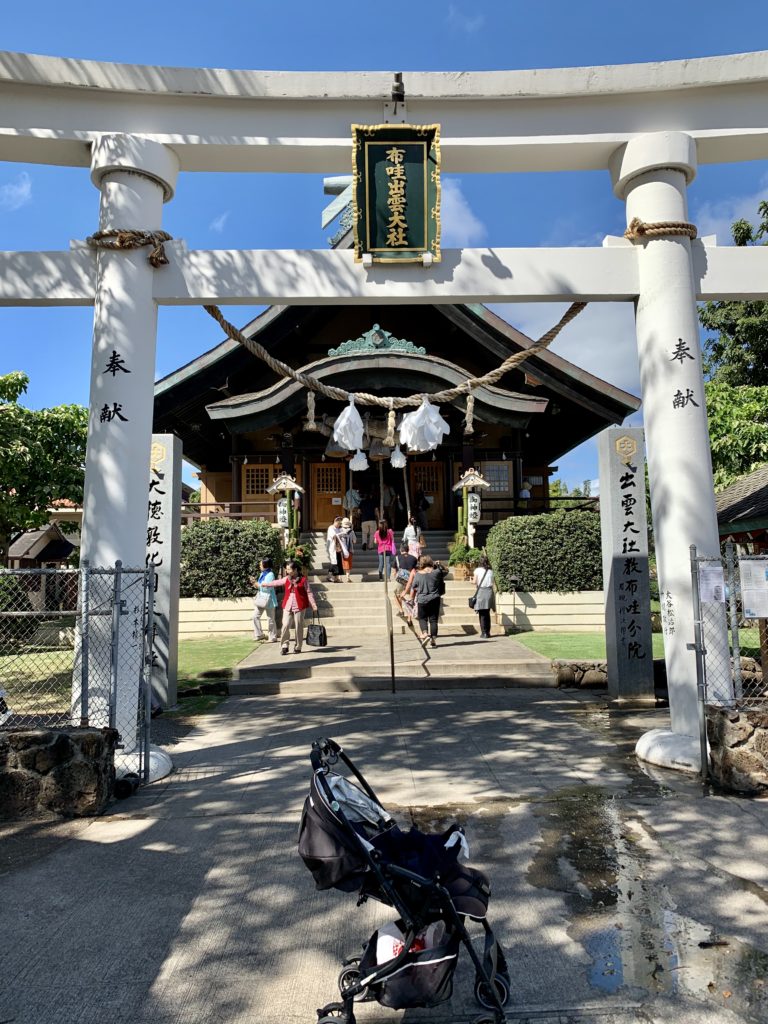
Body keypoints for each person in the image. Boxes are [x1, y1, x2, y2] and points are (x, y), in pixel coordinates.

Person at [260, 559, 318, 655]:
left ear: (295, 570)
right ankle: (284, 646)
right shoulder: (287, 578)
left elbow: (309, 592)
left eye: (289, 569)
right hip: (287, 604)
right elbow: (276, 582)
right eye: (286, 569)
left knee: (298, 626)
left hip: (300, 606)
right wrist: (265, 584)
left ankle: (298, 646)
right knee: (285, 625)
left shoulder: (303, 580)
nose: (287, 571)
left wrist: (314, 605)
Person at [404, 554, 446, 648]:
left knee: (422, 618)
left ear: (421, 563)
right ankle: (433, 640)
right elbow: (445, 570)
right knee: (433, 619)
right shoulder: (436, 572)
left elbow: (414, 586)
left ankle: (425, 634)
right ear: (431, 562)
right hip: (435, 598)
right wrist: (437, 564)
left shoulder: (418, 575)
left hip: (422, 600)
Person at [249, 557, 278, 642]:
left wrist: (257, 584)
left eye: (261, 564)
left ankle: (272, 637)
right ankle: (259, 635)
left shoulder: (270, 574)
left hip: (269, 600)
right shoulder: (262, 574)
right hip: (261, 599)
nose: (259, 565)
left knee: (270, 619)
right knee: (255, 616)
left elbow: (267, 588)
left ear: (265, 565)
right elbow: (260, 586)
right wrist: (255, 583)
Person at [472, 555, 495, 639]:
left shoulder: (477, 570)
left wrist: (471, 580)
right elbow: (492, 583)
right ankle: (488, 632)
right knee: (487, 613)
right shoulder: (491, 571)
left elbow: (474, 582)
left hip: (481, 591)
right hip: (489, 592)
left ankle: (484, 633)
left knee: (481, 613)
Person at [394, 542, 418, 616]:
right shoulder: (414, 558)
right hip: (411, 580)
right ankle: (410, 613)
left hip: (401, 580)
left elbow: (394, 572)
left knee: (396, 595)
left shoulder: (397, 558)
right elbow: (415, 570)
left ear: (401, 549)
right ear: (408, 549)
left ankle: (401, 611)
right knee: (411, 598)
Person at [326, 514, 344, 582]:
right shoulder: (331, 528)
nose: (339, 524)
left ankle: (336, 577)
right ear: (335, 521)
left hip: (338, 547)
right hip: (333, 547)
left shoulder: (339, 528)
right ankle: (330, 576)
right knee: (334, 562)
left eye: (340, 523)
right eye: (338, 522)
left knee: (338, 562)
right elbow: (334, 536)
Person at [339, 516, 357, 583]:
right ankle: (347, 577)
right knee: (348, 564)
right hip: (349, 550)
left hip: (341, 550)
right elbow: (354, 541)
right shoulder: (351, 532)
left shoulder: (340, 530)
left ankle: (340, 578)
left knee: (341, 564)